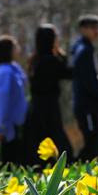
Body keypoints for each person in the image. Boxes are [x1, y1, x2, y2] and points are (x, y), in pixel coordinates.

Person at [25, 24, 73, 166]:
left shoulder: (35, 61)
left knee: (36, 141)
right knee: (57, 139)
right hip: (50, 107)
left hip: (36, 107)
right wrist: (61, 54)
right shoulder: (51, 60)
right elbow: (69, 73)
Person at [0, 35, 28, 165]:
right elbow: (1, 99)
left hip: (14, 125)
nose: (18, 49)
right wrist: (1, 126)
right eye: (15, 46)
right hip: (9, 127)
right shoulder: (6, 72)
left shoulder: (11, 69)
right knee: (11, 163)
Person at [71, 14, 98, 161]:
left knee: (93, 142)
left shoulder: (83, 48)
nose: (97, 31)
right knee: (92, 144)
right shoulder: (84, 51)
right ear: (83, 29)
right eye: (93, 28)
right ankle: (74, 169)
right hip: (87, 105)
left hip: (86, 103)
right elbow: (88, 80)